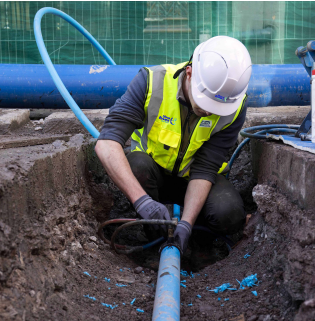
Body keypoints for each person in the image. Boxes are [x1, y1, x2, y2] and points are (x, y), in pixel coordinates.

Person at [95, 36, 252, 255]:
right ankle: (153, 240)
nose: (210, 112)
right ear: (189, 73)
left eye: (218, 107)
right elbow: (106, 144)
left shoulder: (235, 105)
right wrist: (143, 202)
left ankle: (199, 246)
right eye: (206, 102)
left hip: (196, 182)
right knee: (137, 165)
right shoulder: (151, 82)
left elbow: (205, 167)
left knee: (229, 214)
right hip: (153, 178)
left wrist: (187, 224)